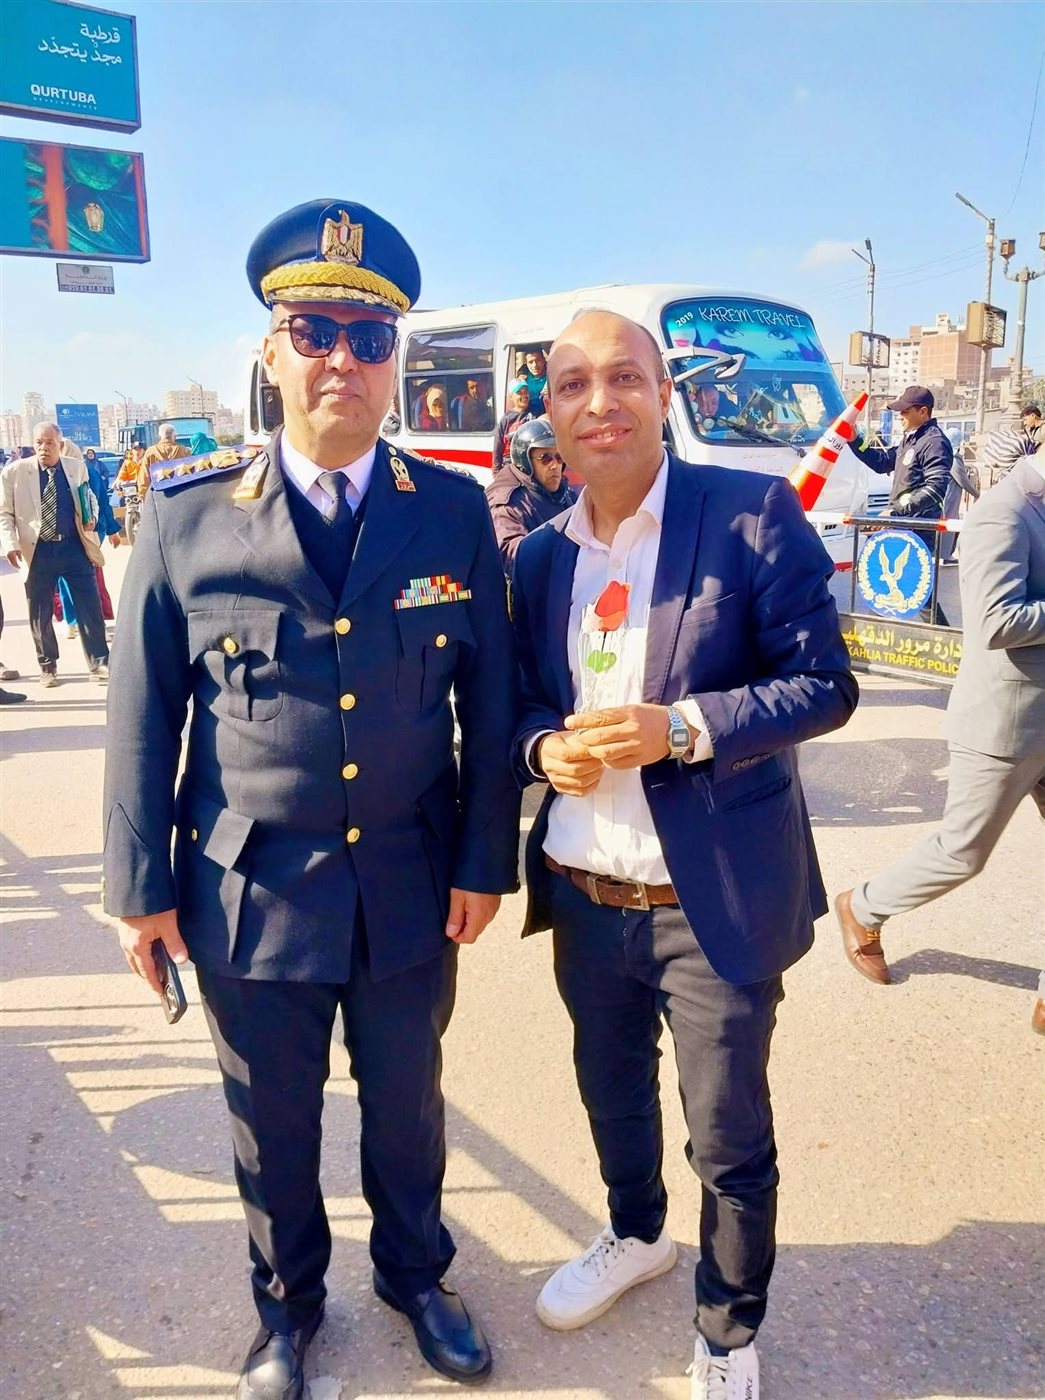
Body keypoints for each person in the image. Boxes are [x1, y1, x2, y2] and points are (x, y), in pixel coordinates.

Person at [102, 198, 520, 1400]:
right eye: (315, 330)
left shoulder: (449, 511)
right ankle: (285, 1310)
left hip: (406, 880)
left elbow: (489, 705)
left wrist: (482, 861)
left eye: (370, 337)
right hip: (249, 885)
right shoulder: (185, 516)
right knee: (270, 1122)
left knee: (408, 1106)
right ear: (272, 353)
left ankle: (416, 1275)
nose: (343, 357)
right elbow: (142, 718)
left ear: (397, 362)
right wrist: (139, 892)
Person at [509, 310, 858, 1399]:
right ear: (549, 412)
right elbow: (519, 702)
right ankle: (634, 1233)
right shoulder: (539, 555)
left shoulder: (748, 513)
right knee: (610, 1092)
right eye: (572, 384)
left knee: (726, 1134)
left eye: (623, 377)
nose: (598, 402)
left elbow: (825, 682)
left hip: (710, 900)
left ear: (664, 395)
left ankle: (727, 1328)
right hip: (583, 892)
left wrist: (686, 727)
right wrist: (542, 747)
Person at [836, 450, 1044, 1019]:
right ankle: (863, 906)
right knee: (963, 852)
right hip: (1005, 723)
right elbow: (997, 621)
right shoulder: (1005, 511)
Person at [0, 422, 109, 687]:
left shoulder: (75, 467)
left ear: (60, 445)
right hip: (37, 551)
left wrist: (92, 517)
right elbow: (4, 513)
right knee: (40, 612)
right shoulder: (14, 472)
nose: (43, 448)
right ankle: (48, 666)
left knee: (90, 606)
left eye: (49, 443)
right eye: (39, 442)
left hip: (74, 547)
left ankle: (99, 662)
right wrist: (10, 544)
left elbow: (89, 499)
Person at [851, 385, 953, 624]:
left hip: (918, 529)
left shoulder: (934, 442)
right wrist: (855, 441)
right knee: (887, 585)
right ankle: (875, 633)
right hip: (899, 526)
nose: (900, 416)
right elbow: (881, 461)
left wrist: (896, 511)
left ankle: (946, 641)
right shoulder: (911, 440)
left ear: (923, 412)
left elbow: (936, 488)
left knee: (917, 591)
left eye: (905, 411)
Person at [484, 417, 575, 576]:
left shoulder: (564, 492)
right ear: (524, 461)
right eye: (545, 458)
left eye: (559, 457)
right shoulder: (507, 503)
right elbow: (512, 555)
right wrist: (562, 548)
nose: (555, 465)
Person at [492, 379, 539, 469]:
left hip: (532, 465)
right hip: (511, 466)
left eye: (526, 392)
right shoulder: (506, 419)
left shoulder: (537, 411)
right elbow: (498, 447)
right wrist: (496, 472)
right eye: (519, 393)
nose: (524, 396)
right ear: (511, 397)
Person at [140, 423, 191, 495]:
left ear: (160, 436)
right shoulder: (184, 450)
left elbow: (144, 477)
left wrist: (143, 496)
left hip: (158, 494)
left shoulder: (151, 451)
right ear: (174, 436)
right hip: (181, 493)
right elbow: (191, 474)